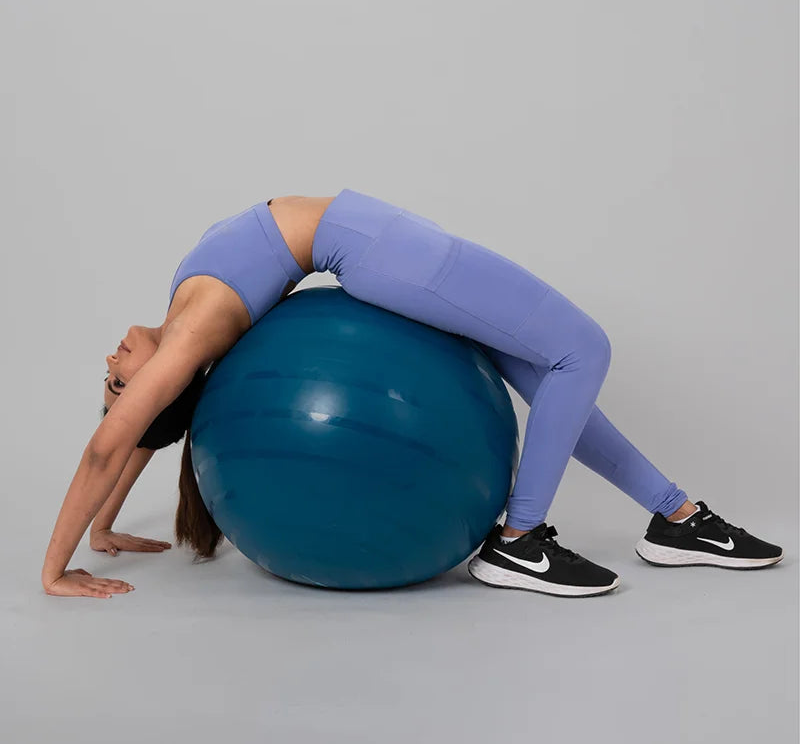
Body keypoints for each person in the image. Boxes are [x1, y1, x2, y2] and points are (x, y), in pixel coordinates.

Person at [41, 189, 783, 599]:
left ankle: (675, 517)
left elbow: (133, 436)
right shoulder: (189, 336)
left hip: (382, 241)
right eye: (118, 382)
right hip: (379, 252)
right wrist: (56, 567)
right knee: (581, 349)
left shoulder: (178, 315)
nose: (111, 363)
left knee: (544, 369)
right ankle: (519, 543)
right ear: (162, 386)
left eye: (108, 380)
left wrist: (106, 529)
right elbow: (112, 443)